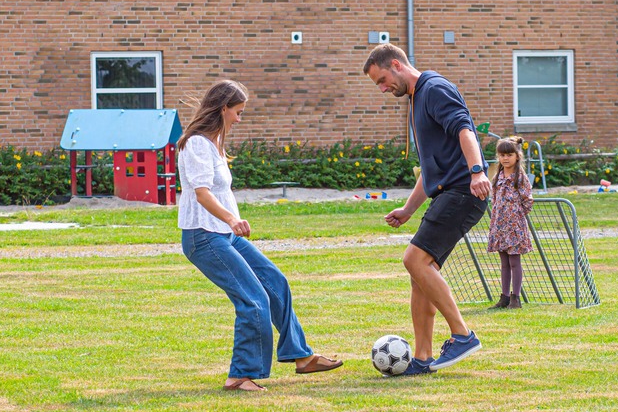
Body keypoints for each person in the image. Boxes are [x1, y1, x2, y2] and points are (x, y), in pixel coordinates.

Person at [177, 79, 343, 392]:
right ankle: (240, 376)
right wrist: (232, 219)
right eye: (238, 112)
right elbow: (201, 194)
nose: (240, 119)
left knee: (275, 282)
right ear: (223, 108)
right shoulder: (197, 143)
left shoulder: (213, 142)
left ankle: (301, 356)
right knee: (253, 299)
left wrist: (230, 224)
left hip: (222, 234)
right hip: (203, 236)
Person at [363, 43, 491, 375]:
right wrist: (407, 209)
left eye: (382, 80)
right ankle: (422, 359)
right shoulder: (417, 99)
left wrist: (477, 171)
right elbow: (432, 167)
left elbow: (465, 130)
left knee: (414, 260)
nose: (383, 88)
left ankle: (462, 334)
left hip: (463, 191)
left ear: (396, 64)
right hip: (449, 191)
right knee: (420, 276)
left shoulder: (433, 88)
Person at [486, 136, 533, 309]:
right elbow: (494, 198)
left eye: (509, 154)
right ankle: (504, 297)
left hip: (514, 225)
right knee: (504, 262)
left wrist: (517, 215)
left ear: (517, 156)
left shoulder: (519, 177)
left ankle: (516, 297)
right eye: (502, 155)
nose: (505, 158)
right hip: (500, 225)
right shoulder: (497, 176)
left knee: (514, 262)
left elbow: (527, 200)